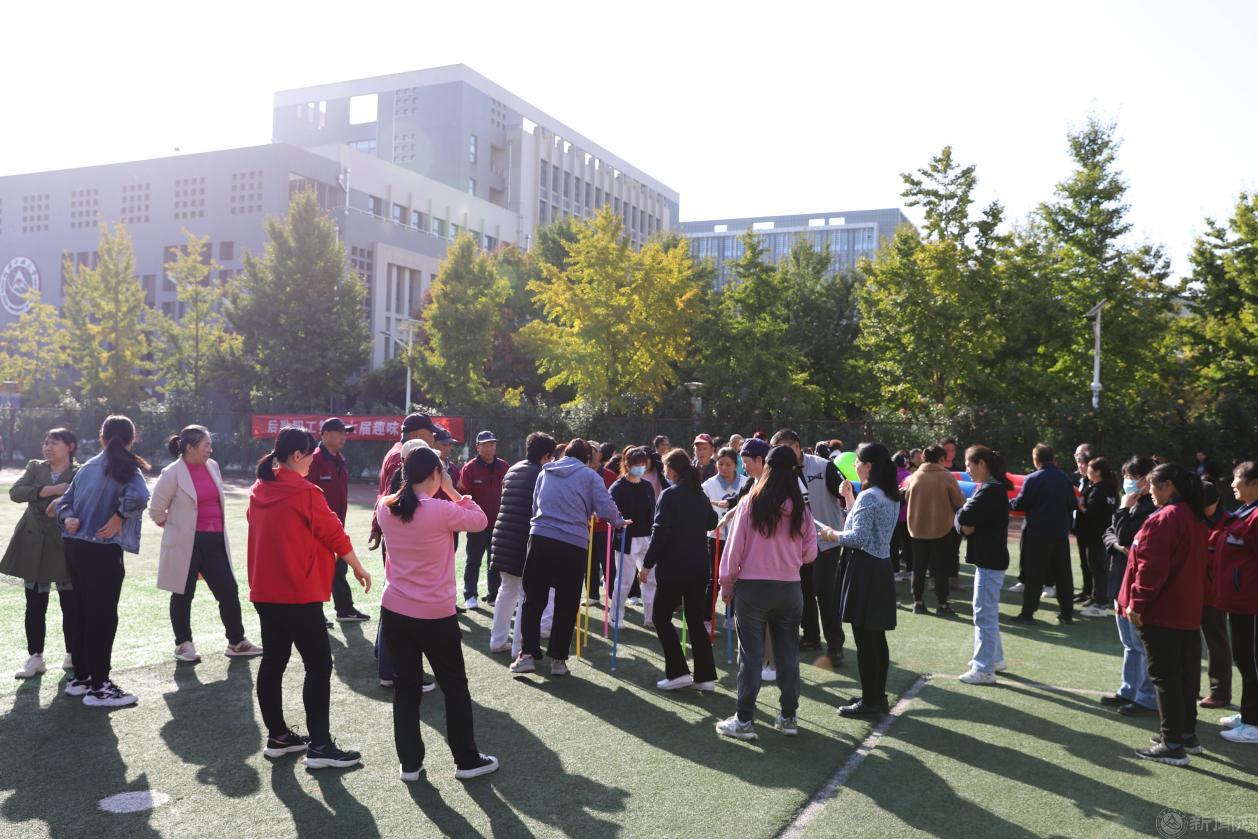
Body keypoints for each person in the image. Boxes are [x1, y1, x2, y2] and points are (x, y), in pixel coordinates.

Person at [247, 426, 372, 769]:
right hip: (298, 594)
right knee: (318, 665)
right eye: (310, 453)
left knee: (274, 661)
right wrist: (358, 567)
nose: (314, 459)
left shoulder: (259, 489)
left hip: (266, 591)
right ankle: (320, 746)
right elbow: (334, 533)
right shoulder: (305, 492)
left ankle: (278, 737)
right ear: (297, 455)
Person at [377, 445, 499, 781]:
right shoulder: (441, 510)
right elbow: (480, 520)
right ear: (435, 474)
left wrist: (441, 486)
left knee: (406, 689)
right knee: (454, 687)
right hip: (434, 614)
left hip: (395, 610)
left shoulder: (385, 507)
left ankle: (410, 764)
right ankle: (466, 760)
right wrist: (452, 490)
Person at [716, 445, 817, 740]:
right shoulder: (800, 508)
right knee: (788, 655)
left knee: (751, 656)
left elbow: (733, 550)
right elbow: (810, 553)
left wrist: (726, 585)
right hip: (789, 588)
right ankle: (788, 716)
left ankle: (744, 720)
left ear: (768, 468)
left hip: (753, 589)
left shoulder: (750, 503)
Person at [511, 438, 627, 677]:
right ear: (587, 459)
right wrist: (619, 521)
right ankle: (558, 660)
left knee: (533, 599)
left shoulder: (545, 472)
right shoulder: (590, 476)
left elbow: (535, 505)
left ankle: (527, 655)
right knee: (566, 602)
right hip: (573, 543)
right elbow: (605, 507)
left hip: (541, 537)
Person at [1118, 463, 1208, 765]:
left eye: (1153, 486)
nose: (1149, 492)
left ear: (1168, 486)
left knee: (1165, 677)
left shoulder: (1165, 518)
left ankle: (1172, 744)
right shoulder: (1193, 515)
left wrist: (1137, 602)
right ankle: (1185, 735)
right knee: (1184, 675)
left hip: (1164, 610)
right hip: (1186, 607)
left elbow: (1151, 567)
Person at [57, 415, 150, 707]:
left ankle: (81, 678)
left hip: (75, 547)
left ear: (101, 438)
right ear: (132, 439)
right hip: (102, 550)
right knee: (103, 617)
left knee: (83, 613)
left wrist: (68, 518)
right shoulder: (125, 467)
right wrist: (119, 516)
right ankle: (100, 687)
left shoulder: (87, 467)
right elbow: (141, 496)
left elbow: (64, 503)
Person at [150, 425, 261, 663]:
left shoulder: (213, 466)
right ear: (190, 448)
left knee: (228, 590)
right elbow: (156, 511)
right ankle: (183, 644)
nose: (210, 449)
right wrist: (179, 531)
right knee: (183, 593)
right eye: (206, 445)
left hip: (215, 540)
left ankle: (237, 642)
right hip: (186, 544)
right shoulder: (171, 473)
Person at [819, 443, 900, 716]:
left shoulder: (870, 495)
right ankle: (875, 695)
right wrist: (849, 499)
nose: (853, 465)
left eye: (857, 461)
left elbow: (857, 538)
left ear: (868, 466)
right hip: (880, 567)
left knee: (866, 640)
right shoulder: (887, 493)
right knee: (876, 638)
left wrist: (831, 535)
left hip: (865, 570)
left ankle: (870, 701)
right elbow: (864, 525)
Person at [3, 428, 80, 679]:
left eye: (54, 443)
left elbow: (83, 501)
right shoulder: (35, 466)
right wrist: (52, 490)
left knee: (71, 604)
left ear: (70, 446)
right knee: (35, 604)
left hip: (64, 543)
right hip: (33, 541)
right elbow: (16, 493)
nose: (48, 447)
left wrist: (51, 494)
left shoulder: (80, 472)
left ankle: (73, 654)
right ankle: (35, 657)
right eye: (45, 442)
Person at [642, 449, 719, 691]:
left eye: (666, 467)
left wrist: (646, 564)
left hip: (674, 568)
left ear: (673, 470)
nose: (664, 471)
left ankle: (678, 672)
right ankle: (705, 678)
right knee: (695, 619)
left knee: (661, 616)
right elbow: (712, 521)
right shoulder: (699, 493)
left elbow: (660, 532)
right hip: (699, 566)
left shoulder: (669, 495)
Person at [770, 429, 847, 661]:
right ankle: (811, 636)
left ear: (796, 445)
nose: (781, 454)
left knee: (825, 592)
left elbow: (845, 493)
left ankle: (835, 644)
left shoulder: (824, 466)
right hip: (797, 542)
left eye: (784, 448)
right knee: (802, 591)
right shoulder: (779, 472)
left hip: (826, 541)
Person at [1099, 455, 1159, 717]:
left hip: (1135, 583)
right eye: (1126, 477)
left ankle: (1146, 698)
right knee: (1129, 643)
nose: (1128, 482)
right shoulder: (1131, 502)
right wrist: (1115, 543)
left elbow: (1125, 535)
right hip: (1120, 580)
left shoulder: (1150, 507)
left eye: (1133, 477)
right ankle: (1129, 689)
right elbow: (1110, 533)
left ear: (1148, 479)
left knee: (1141, 644)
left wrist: (1123, 510)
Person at [489, 433, 558, 657]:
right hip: (525, 540)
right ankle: (518, 648)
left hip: (503, 537)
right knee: (525, 596)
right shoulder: (543, 475)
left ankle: (497, 641)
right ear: (546, 455)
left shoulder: (512, 469)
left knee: (506, 590)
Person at [954, 446, 1012, 685]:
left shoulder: (990, 490)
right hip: (991, 559)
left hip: (990, 560)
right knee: (987, 612)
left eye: (969, 464)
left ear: (981, 464)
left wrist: (960, 513)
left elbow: (965, 518)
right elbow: (967, 521)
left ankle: (984, 669)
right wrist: (963, 516)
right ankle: (994, 659)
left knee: (983, 615)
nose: (967, 470)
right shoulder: (991, 488)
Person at [1213, 461, 1258, 744]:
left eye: (1237, 478)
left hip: (1252, 604)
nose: (1232, 484)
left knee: (1253, 662)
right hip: (1241, 602)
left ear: (1255, 483)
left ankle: (1254, 725)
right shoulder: (1245, 510)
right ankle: (1249, 714)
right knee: (1244, 659)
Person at [307, 417, 368, 623]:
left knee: (339, 567)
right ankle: (315, 613)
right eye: (340, 432)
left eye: (345, 433)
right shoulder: (314, 459)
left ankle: (344, 609)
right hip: (316, 527)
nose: (344, 437)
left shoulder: (339, 459)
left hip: (336, 525)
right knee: (317, 569)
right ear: (325, 434)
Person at [1011, 444, 1078, 624]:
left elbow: (1021, 503)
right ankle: (1067, 613)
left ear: (1036, 459)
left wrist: (1009, 503)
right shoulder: (1064, 478)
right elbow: (1073, 503)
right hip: (1060, 532)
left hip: (1037, 532)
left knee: (1034, 573)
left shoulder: (1033, 478)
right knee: (1063, 574)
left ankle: (1028, 613)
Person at [902, 444, 965, 616]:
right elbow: (958, 501)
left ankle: (918, 602)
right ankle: (942, 604)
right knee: (941, 567)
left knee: (918, 566)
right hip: (942, 528)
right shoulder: (946, 476)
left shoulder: (915, 476)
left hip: (917, 528)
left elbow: (907, 496)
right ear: (942, 459)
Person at [458, 430, 509, 610]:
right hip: (476, 525)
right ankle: (470, 595)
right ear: (477, 447)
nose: (488, 448)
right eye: (484, 445)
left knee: (495, 562)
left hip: (499, 524)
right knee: (473, 561)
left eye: (491, 444)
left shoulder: (504, 466)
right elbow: (463, 497)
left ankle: (493, 595)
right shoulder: (469, 468)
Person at [609, 447, 657, 627]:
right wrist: (619, 521)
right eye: (636, 464)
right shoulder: (618, 487)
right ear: (627, 464)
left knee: (651, 579)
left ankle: (650, 617)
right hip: (626, 540)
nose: (640, 467)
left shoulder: (647, 486)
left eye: (643, 464)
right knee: (624, 581)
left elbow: (653, 511)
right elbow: (610, 510)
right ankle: (615, 618)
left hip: (647, 538)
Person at [702, 447, 746, 627]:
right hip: (715, 537)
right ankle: (707, 619)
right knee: (714, 579)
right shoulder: (708, 485)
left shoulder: (746, 482)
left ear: (736, 465)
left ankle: (731, 617)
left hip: (739, 537)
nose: (724, 468)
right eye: (721, 464)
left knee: (737, 578)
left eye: (728, 464)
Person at [1199, 481, 1232, 711]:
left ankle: (1220, 692)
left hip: (1214, 594)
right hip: (1189, 590)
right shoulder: (1192, 518)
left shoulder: (1230, 523)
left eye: (1205, 505)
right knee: (1187, 642)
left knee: (1216, 641)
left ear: (1217, 501)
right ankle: (1189, 686)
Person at [1078, 457, 1119, 616]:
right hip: (1102, 534)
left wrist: (1080, 506)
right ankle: (1096, 597)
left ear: (1098, 472)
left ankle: (1101, 604)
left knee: (1098, 568)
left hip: (1096, 534)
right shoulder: (1108, 487)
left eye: (1090, 468)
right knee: (1096, 567)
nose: (1087, 471)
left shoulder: (1100, 489)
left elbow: (1092, 512)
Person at [1070, 443, 1096, 603]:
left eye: (1082, 462)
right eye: (1078, 461)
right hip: (1080, 527)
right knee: (1084, 563)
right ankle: (1086, 591)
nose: (1079, 465)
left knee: (1093, 564)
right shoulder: (1079, 478)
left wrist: (1080, 505)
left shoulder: (1097, 483)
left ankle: (1095, 595)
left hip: (1092, 529)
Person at [940, 438, 964, 592]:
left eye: (952, 450)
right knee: (938, 549)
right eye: (947, 450)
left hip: (955, 515)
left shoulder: (960, 471)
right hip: (939, 515)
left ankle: (954, 579)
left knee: (954, 549)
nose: (950, 453)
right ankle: (935, 579)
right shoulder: (936, 469)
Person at [890, 451, 912, 581]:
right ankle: (910, 570)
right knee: (908, 544)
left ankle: (895, 570)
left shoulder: (892, 476)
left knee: (893, 544)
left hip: (895, 515)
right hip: (908, 514)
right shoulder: (910, 476)